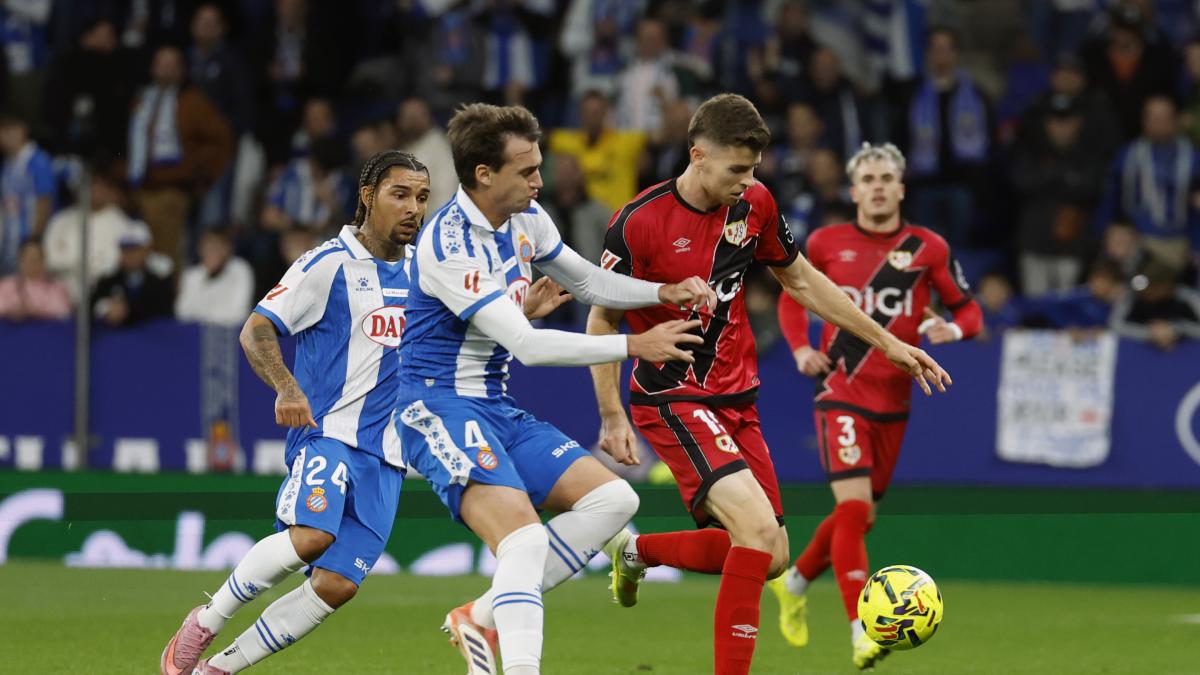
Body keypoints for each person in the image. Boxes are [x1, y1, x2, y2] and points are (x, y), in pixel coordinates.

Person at [589, 95, 951, 675]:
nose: (748, 181)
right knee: (757, 531)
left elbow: (801, 280)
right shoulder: (639, 222)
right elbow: (601, 320)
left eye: (754, 168)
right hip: (672, 395)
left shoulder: (753, 204)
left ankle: (634, 551)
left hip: (737, 398)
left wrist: (888, 342)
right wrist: (612, 416)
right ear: (697, 156)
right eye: (736, 169)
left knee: (773, 556)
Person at [395, 102, 714, 675]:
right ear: (483, 174)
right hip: (435, 405)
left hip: (493, 404)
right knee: (523, 539)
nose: (539, 181)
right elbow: (531, 347)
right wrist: (634, 345)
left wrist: (660, 293)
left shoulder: (527, 218)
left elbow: (587, 280)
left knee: (615, 500)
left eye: (539, 166)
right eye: (526, 170)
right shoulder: (447, 244)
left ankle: (480, 615)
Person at [160, 151, 435, 675]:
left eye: (422, 197)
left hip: (388, 455)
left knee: (337, 584)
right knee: (313, 535)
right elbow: (256, 330)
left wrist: (522, 313)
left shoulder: (427, 270)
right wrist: (286, 388)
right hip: (326, 433)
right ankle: (203, 623)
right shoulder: (325, 264)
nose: (413, 208)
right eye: (400, 194)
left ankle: (217, 669)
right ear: (368, 196)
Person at [769, 142, 982, 669]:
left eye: (888, 177)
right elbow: (790, 292)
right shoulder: (824, 241)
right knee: (855, 508)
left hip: (895, 399)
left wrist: (947, 327)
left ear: (902, 187)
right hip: (840, 390)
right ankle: (861, 628)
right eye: (869, 179)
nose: (879, 186)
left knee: (858, 518)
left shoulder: (928, 247)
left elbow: (970, 311)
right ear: (854, 189)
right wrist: (799, 347)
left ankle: (793, 584)